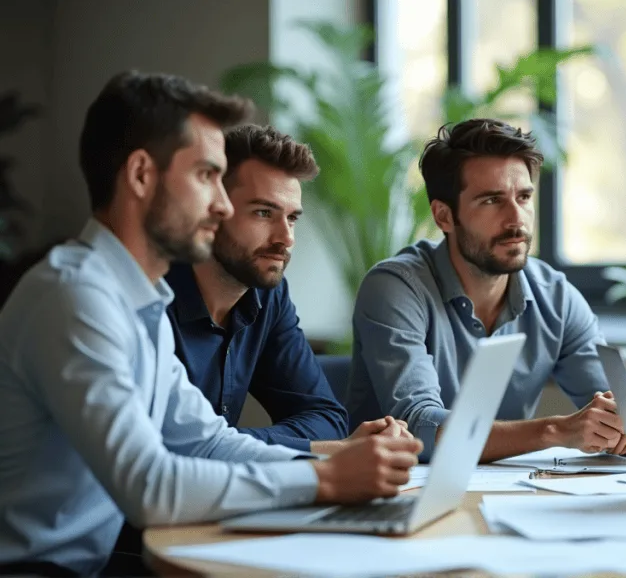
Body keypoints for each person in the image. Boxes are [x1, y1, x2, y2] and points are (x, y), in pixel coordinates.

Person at [0, 71, 421, 576]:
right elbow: (150, 487)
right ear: (140, 176)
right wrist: (326, 481)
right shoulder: (74, 297)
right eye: (205, 176)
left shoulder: (141, 300)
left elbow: (207, 442)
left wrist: (335, 463)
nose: (221, 204)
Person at [345, 118, 626, 462]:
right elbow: (420, 428)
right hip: (398, 492)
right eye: (491, 200)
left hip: (511, 492)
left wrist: (622, 422)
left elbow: (625, 408)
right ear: (444, 217)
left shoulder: (555, 295)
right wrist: (555, 431)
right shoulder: (395, 288)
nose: (517, 219)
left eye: (524, 196)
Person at [165, 124, 410, 454]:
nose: (286, 238)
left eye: (292, 218)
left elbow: (325, 418)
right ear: (213, 208)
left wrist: (236, 446)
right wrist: (331, 449)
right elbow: (165, 446)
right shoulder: (152, 298)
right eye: (264, 212)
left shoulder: (267, 295)